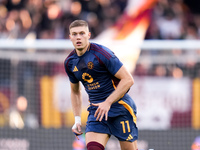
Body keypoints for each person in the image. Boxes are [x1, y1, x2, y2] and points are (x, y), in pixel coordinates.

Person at [64, 20, 138, 150]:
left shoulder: (102, 54)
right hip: (97, 111)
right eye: (74, 34)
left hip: (120, 108)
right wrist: (77, 119)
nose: (78, 37)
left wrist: (108, 102)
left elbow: (128, 80)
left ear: (89, 35)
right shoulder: (70, 62)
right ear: (70, 37)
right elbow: (75, 92)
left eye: (82, 33)